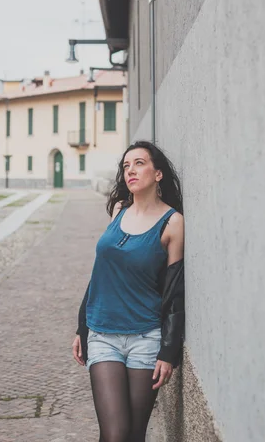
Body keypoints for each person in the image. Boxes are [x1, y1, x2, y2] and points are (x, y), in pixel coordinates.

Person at [72, 140, 185, 442]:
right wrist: (82, 326)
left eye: (139, 163)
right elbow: (101, 274)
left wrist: (168, 352)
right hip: (103, 336)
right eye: (125, 166)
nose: (130, 171)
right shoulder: (119, 210)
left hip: (145, 339)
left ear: (157, 173)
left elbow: (174, 293)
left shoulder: (172, 223)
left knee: (134, 435)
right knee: (115, 434)